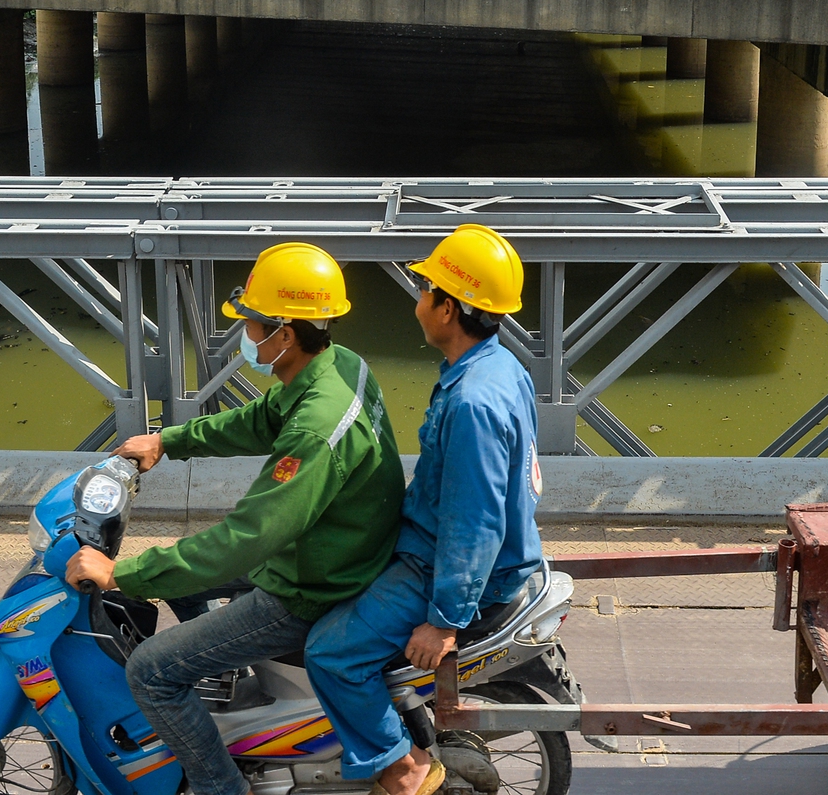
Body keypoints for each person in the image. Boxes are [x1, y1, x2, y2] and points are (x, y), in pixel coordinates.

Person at [65, 243, 405, 795]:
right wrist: (168, 441)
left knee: (150, 671)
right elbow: (258, 420)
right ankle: (223, 682)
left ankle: (220, 787)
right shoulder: (340, 366)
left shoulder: (316, 429)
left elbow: (246, 538)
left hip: (313, 583)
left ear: (285, 334)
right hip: (336, 544)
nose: (244, 334)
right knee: (178, 576)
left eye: (250, 323)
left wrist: (121, 575)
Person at [305, 224, 542, 795]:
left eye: (427, 288)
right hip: (441, 549)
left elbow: (474, 522)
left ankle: (405, 770)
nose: (418, 298)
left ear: (450, 308)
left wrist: (443, 622)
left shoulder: (472, 402)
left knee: (330, 653)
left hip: (443, 570)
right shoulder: (498, 367)